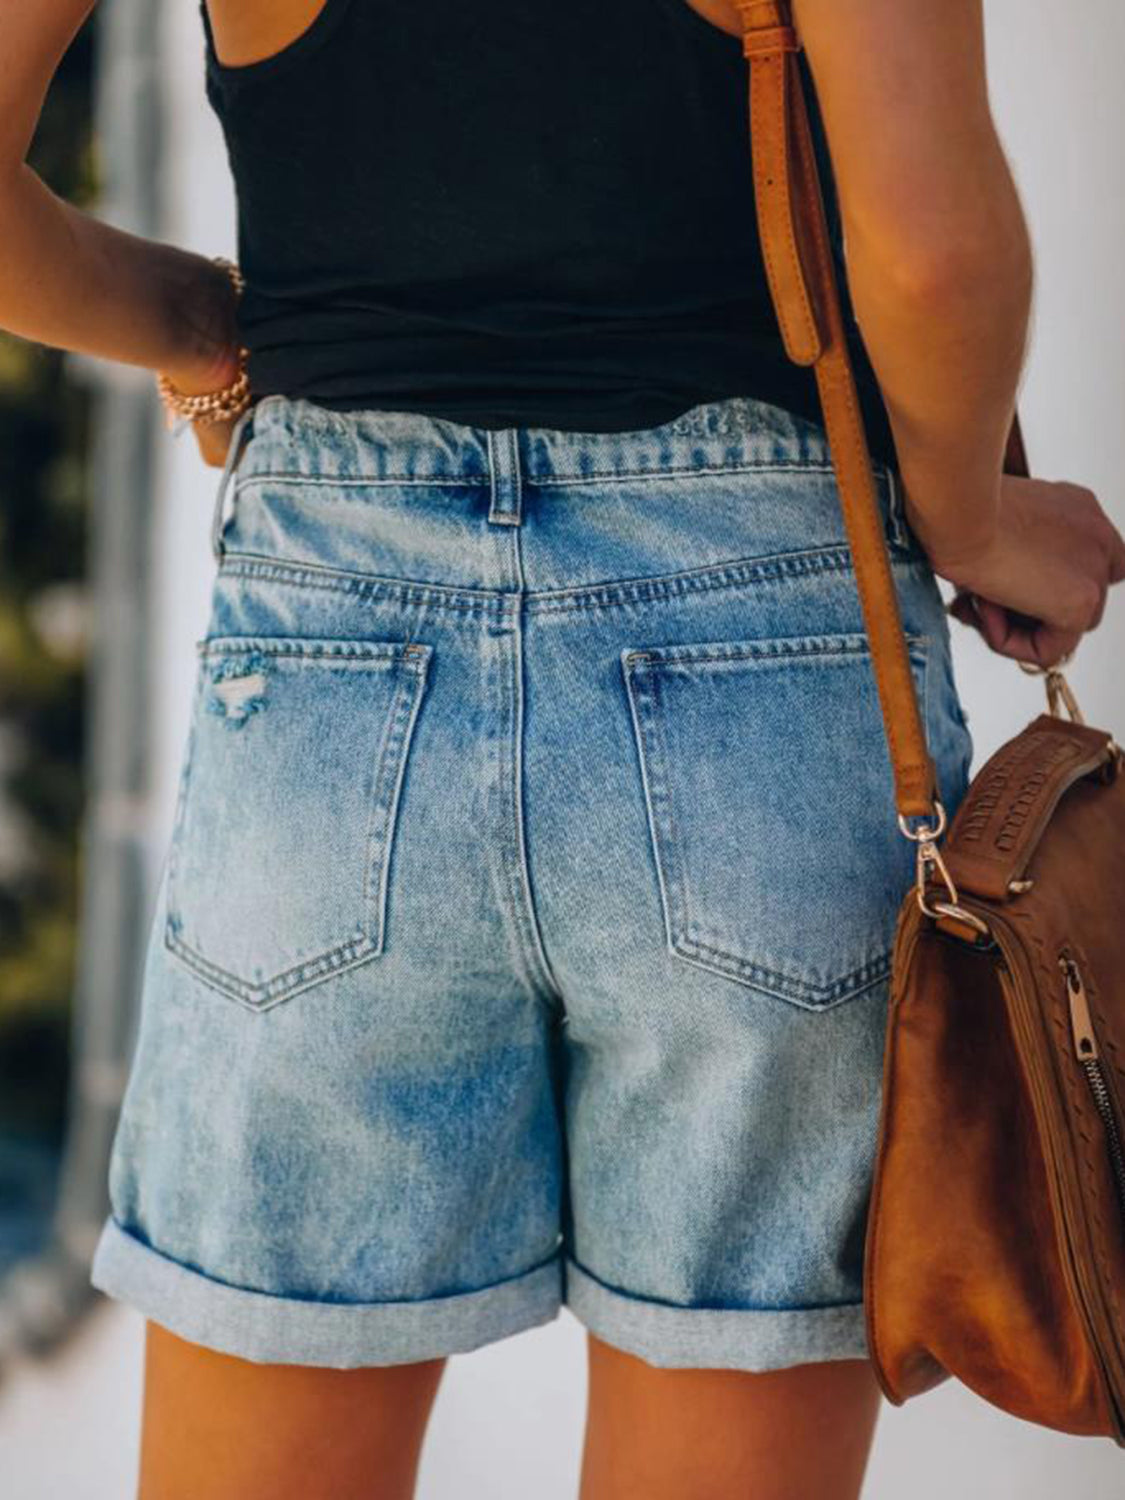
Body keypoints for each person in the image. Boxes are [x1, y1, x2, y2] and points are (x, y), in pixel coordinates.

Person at [4, 2, 1124, 1497]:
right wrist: (974, 520)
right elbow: (926, 249)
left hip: (331, 652)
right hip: (758, 646)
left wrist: (214, 323)